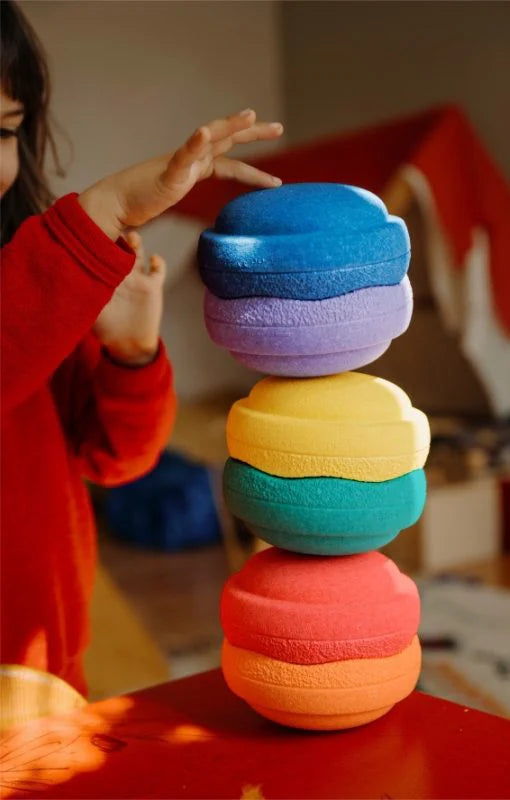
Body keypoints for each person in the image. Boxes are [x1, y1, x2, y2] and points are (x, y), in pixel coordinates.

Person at [0, 0, 283, 694]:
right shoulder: (41, 274)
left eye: (3, 130)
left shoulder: (30, 273)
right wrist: (102, 211)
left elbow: (114, 458)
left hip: (45, 674)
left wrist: (132, 360)